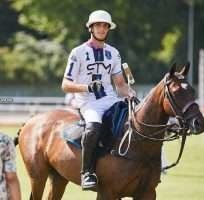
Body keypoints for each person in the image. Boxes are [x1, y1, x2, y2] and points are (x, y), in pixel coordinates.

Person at [61, 10, 136, 190]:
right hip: (88, 102)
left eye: (105, 26)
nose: (102, 29)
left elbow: (119, 84)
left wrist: (130, 93)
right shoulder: (77, 52)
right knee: (93, 127)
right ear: (91, 28)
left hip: (110, 99)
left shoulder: (114, 53)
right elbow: (65, 85)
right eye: (98, 25)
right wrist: (87, 87)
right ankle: (87, 172)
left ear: (108, 29)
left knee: (136, 120)